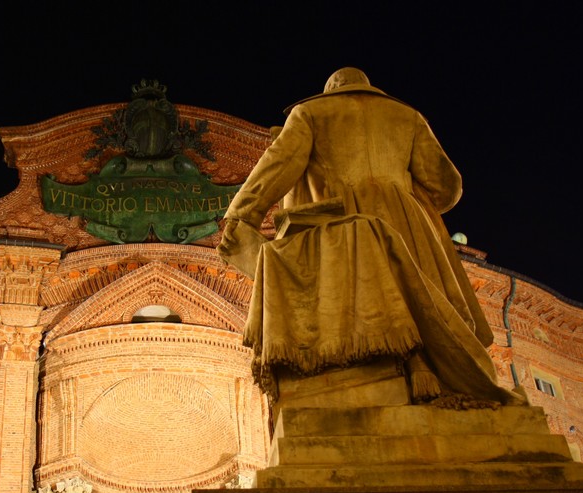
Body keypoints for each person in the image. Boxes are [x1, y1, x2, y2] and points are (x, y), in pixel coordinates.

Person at [218, 67, 522, 406]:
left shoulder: (312, 113)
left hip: (345, 226)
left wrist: (244, 213)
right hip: (408, 224)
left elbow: (279, 163)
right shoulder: (406, 116)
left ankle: (375, 383)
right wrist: (406, 191)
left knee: (364, 310)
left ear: (330, 90)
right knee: (423, 306)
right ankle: (428, 377)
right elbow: (447, 186)